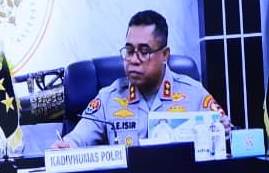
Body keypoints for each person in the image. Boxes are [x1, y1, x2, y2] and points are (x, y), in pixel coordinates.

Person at [52, 10, 228, 148]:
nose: (134, 60)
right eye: (129, 51)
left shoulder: (194, 93)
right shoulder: (108, 98)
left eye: (144, 52)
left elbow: (225, 133)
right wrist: (66, 146)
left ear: (165, 55)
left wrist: (224, 131)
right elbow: (78, 138)